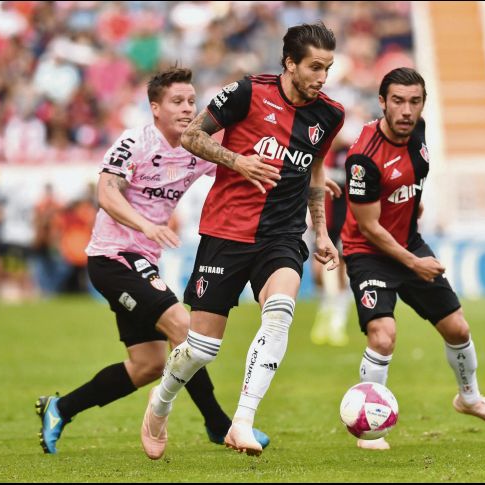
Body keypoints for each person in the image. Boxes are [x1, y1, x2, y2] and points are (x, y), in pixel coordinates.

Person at [34, 67, 270, 454]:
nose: (186, 108)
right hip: (112, 257)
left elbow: (243, 163)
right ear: (155, 108)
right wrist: (147, 225)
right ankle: (219, 425)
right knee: (183, 327)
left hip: (143, 260)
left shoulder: (198, 147)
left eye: (191, 101)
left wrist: (308, 180)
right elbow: (107, 193)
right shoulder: (136, 143)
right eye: (177, 101)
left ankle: (60, 408)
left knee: (146, 365)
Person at [141, 22, 345, 459]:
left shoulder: (330, 114)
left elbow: (314, 170)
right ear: (290, 63)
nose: (321, 77)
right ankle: (159, 405)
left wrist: (322, 231)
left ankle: (243, 422)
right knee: (200, 349)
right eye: (314, 67)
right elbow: (191, 135)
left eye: (327, 68)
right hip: (226, 232)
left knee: (279, 315)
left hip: (282, 236)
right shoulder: (247, 93)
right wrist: (240, 162)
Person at [340, 68, 485, 451]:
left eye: (415, 101)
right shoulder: (363, 159)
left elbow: (412, 183)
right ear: (382, 102)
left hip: (408, 242)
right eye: (398, 101)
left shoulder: (417, 132)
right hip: (369, 253)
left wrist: (412, 215)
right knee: (383, 336)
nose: (406, 110)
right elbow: (368, 227)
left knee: (458, 329)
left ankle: (469, 399)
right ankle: (371, 430)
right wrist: (414, 263)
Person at [310, 143, 352, 347]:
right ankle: (325, 311)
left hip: (344, 224)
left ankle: (337, 322)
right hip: (322, 224)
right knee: (318, 273)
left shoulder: (346, 152)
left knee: (339, 272)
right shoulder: (318, 151)